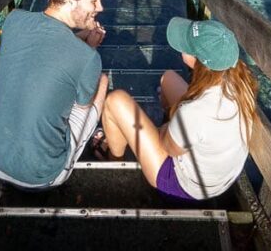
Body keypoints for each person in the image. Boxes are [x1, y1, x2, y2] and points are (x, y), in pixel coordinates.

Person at [0, 0, 116, 189]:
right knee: (100, 82)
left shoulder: (14, 20)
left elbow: (44, 46)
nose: (100, 8)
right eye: (94, 1)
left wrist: (81, 39)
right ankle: (100, 145)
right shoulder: (87, 58)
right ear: (71, 0)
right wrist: (89, 50)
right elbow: (81, 104)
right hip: (43, 174)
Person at [95, 16, 257, 201]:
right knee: (168, 78)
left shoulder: (196, 112)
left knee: (115, 101)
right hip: (218, 175)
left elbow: (169, 148)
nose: (181, 48)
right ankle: (175, 131)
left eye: (186, 46)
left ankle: (114, 161)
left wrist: (161, 129)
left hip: (184, 183)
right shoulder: (242, 84)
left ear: (197, 61)